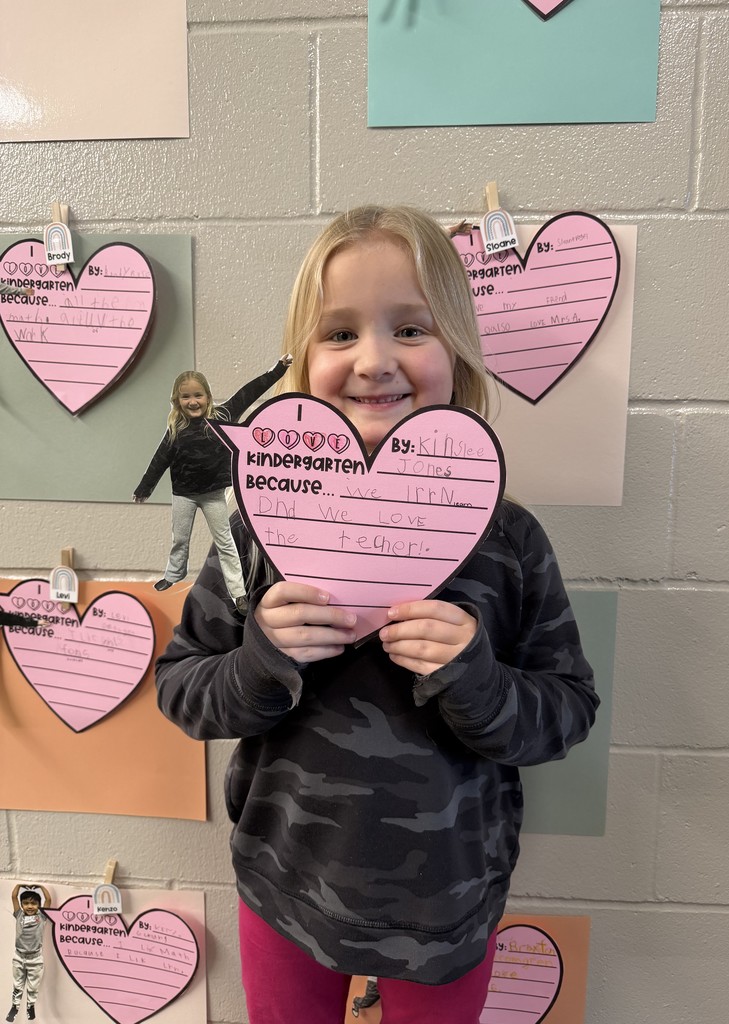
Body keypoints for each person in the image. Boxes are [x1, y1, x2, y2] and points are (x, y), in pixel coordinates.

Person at [155, 206, 599, 1024]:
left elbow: (567, 712)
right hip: (284, 890)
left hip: (447, 908)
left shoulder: (508, 542)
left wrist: (477, 679)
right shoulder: (255, 532)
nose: (373, 360)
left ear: (457, 352)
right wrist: (259, 661)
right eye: (339, 333)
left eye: (411, 329)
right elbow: (182, 688)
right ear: (303, 361)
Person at [132, 358, 291, 614]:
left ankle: (238, 593)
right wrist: (144, 489)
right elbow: (159, 461)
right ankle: (173, 574)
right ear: (177, 401)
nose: (192, 401)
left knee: (225, 542)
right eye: (185, 397)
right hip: (183, 495)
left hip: (213, 495)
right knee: (180, 539)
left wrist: (278, 370)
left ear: (208, 396)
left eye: (198, 395)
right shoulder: (175, 429)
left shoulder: (223, 416)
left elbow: (249, 392)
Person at [7, 884, 51, 1022]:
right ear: (21, 905)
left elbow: (48, 899)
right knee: (17, 986)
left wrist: (40, 886)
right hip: (19, 957)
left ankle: (30, 1006)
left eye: (33, 903)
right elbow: (13, 896)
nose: (30, 906)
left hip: (35, 959)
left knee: (33, 987)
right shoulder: (19, 914)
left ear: (38, 905)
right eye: (26, 903)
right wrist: (19, 885)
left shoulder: (41, 916)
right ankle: (14, 1007)